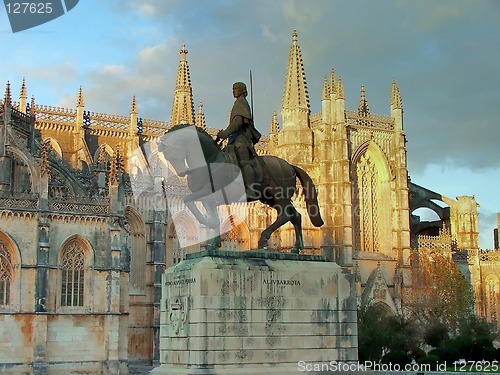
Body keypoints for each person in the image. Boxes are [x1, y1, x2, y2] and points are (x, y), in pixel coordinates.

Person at [217, 82, 261, 199]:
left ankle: (251, 189)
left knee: (244, 161)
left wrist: (226, 133)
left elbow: (238, 123)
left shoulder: (242, 103)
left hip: (242, 140)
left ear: (242, 91)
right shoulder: (237, 103)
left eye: (236, 88)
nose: (233, 90)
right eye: (233, 88)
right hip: (234, 139)